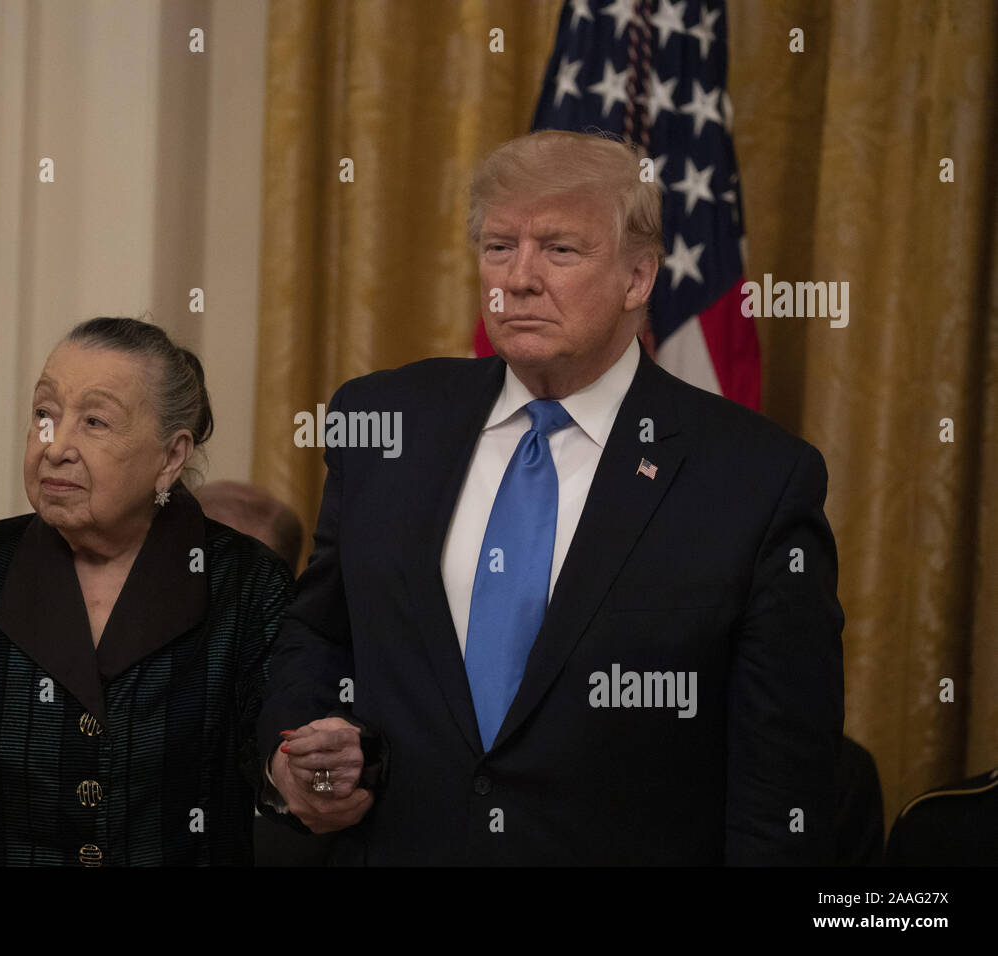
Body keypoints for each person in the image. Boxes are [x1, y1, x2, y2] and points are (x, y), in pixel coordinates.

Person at [256, 130, 845, 864]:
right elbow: (321, 633)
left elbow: (780, 783)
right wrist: (297, 749)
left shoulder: (755, 479)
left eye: (560, 250)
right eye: (500, 247)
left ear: (637, 278)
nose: (518, 279)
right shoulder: (385, 423)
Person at [0, 316, 293, 865]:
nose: (56, 447)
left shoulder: (247, 583)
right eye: (44, 415)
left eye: (94, 422)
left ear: (170, 457)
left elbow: (285, 783)